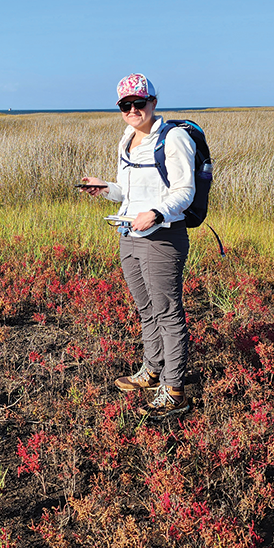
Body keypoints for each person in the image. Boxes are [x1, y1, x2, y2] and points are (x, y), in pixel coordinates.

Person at [80, 73, 195, 418]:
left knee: (167, 312)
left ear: (153, 102)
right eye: (125, 105)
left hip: (162, 237)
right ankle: (151, 370)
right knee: (145, 308)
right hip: (128, 233)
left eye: (138, 103)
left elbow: (184, 192)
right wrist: (106, 188)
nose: (132, 110)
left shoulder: (172, 139)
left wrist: (157, 213)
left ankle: (174, 389)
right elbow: (129, 194)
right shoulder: (126, 139)